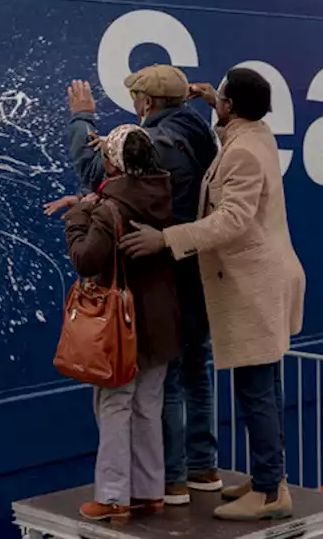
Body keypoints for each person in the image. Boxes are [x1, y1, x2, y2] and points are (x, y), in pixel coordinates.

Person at [120, 68, 305, 521]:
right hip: (265, 277)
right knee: (264, 386)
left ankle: (269, 493)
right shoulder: (254, 134)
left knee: (256, 390)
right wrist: (214, 104)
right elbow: (235, 135)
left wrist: (167, 239)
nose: (213, 96)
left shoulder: (242, 153)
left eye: (220, 94)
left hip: (252, 286)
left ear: (232, 106)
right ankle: (270, 476)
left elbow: (232, 221)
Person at [63, 67, 222, 505]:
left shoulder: (155, 151)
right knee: (195, 368)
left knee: (160, 385)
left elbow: (95, 174)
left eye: (135, 99)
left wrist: (81, 121)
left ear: (147, 104)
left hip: (163, 277)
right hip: (196, 268)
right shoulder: (199, 135)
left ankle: (168, 481)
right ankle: (201, 468)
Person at [45, 124, 182, 521]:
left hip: (122, 327)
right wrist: (90, 202)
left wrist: (75, 219)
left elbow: (85, 260)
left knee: (115, 406)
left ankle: (113, 497)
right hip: (162, 322)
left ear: (113, 164)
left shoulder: (110, 208)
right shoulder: (162, 192)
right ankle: (149, 492)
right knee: (148, 406)